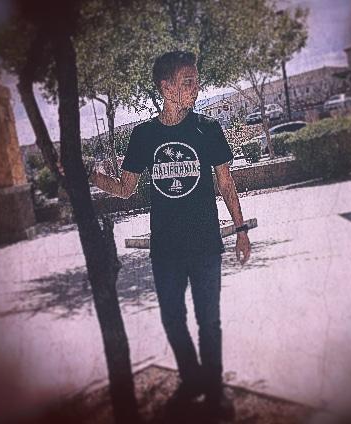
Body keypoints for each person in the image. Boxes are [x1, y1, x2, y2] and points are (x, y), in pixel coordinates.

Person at [90, 50, 251, 421]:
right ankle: (192, 380)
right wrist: (90, 176)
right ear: (165, 87)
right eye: (187, 82)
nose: (196, 88)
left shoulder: (207, 128)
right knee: (172, 320)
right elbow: (125, 188)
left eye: (196, 81)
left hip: (206, 244)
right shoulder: (144, 135)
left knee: (209, 322)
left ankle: (214, 392)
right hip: (166, 250)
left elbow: (226, 183)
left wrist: (241, 230)